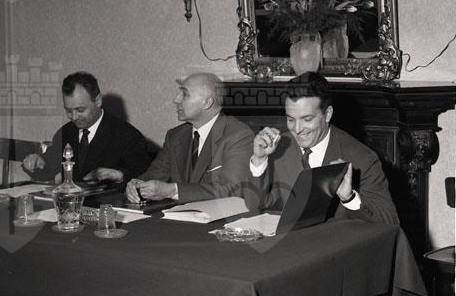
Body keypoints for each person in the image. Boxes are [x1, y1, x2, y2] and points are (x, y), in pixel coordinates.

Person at [249, 72, 399, 225]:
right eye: (291, 119)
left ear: (327, 114)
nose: (297, 129)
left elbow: (390, 223)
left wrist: (349, 198)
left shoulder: (362, 158)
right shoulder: (279, 148)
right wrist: (259, 160)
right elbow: (257, 207)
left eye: (307, 119)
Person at [125, 73, 253, 204]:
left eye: (185, 94)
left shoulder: (238, 135)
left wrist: (172, 191)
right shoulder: (175, 136)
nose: (176, 99)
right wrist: (137, 185)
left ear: (207, 103)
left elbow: (231, 189)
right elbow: (154, 175)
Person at [22, 72, 152, 183]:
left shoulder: (128, 135)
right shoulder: (66, 132)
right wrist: (37, 163)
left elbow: (146, 174)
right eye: (68, 111)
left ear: (98, 101)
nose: (74, 117)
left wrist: (120, 175)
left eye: (80, 110)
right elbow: (48, 167)